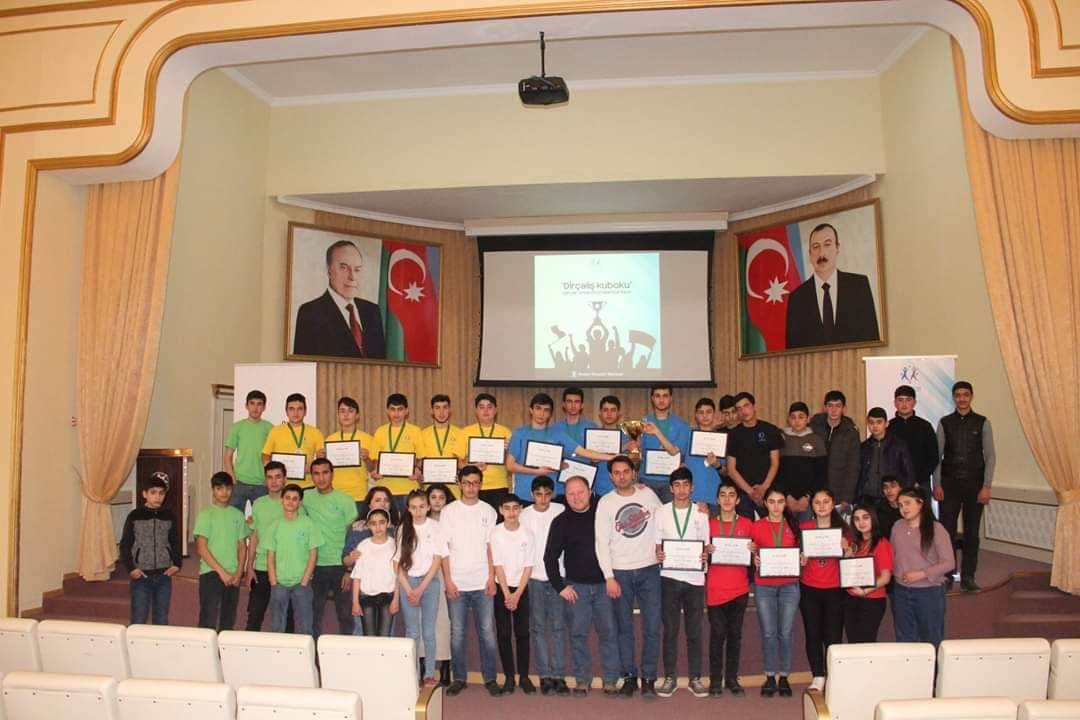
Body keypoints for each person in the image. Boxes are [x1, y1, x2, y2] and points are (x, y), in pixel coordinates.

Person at [544, 475, 620, 697]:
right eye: (571, 494)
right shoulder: (560, 522)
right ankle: (582, 680)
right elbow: (549, 558)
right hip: (577, 588)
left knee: (609, 633)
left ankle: (610, 680)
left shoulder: (603, 512)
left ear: (590, 491)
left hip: (605, 585)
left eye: (580, 492)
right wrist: (560, 587)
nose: (576, 497)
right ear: (565, 496)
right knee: (578, 635)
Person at [595, 455, 663, 698]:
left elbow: (665, 520)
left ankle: (649, 677)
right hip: (620, 572)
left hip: (649, 570)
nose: (622, 476)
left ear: (634, 473)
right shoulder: (605, 503)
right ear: (610, 476)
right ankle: (629, 676)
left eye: (626, 471)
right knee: (623, 628)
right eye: (617, 472)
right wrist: (608, 576)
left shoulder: (648, 495)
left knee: (652, 627)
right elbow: (601, 542)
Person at [440, 466, 501, 697]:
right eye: (466, 483)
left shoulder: (489, 511)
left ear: (481, 484)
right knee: (457, 633)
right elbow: (443, 549)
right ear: (459, 483)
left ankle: (490, 678)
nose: (471, 487)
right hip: (457, 582)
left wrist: (492, 578)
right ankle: (459, 678)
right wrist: (448, 580)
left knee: (487, 632)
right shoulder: (449, 512)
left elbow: (491, 547)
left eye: (475, 483)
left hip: (482, 582)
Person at [653, 467, 711, 698]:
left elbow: (706, 544)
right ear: (670, 488)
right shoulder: (661, 512)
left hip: (695, 579)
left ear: (692, 487)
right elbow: (657, 544)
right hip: (669, 578)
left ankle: (695, 678)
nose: (681, 490)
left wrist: (705, 555)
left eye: (685, 485)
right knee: (670, 630)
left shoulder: (701, 512)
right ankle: (670, 678)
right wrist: (658, 554)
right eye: (677, 485)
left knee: (694, 630)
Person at [934, 381, 996, 592]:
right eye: (958, 395)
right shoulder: (945, 423)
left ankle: (968, 576)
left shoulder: (982, 422)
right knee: (946, 532)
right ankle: (947, 574)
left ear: (971, 397)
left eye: (965, 395)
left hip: (975, 485)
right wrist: (937, 483)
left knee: (972, 533)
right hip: (949, 485)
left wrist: (986, 486)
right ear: (954, 397)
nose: (962, 398)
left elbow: (990, 456)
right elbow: (937, 457)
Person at [784, 222, 880, 349]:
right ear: (810, 254)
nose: (821, 253)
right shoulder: (797, 298)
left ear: (837, 248)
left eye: (827, 245)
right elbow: (793, 352)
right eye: (816, 247)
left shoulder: (859, 286)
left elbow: (872, 341)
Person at [507, 393, 613, 500]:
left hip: (549, 496)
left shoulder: (557, 434)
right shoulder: (519, 433)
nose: (541, 414)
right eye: (538, 408)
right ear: (531, 410)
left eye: (546, 410)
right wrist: (536, 472)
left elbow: (583, 452)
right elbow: (510, 465)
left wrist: (612, 457)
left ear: (550, 414)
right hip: (524, 494)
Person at [293, 238, 387, 358]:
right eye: (344, 267)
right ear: (329, 270)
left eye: (357, 269)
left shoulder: (372, 311)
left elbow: (381, 363)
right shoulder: (310, 313)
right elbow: (304, 366)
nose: (352, 277)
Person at [751, 486, 802, 698]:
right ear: (765, 503)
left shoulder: (794, 525)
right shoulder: (757, 526)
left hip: (790, 585)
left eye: (780, 501)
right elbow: (752, 551)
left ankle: (785, 676)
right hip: (764, 585)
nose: (776, 506)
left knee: (786, 632)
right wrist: (753, 558)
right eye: (772, 501)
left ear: (785, 504)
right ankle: (770, 675)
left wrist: (802, 558)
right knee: (769, 632)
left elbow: (802, 551)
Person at [521, 475, 569, 696]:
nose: (543, 499)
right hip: (534, 578)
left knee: (558, 627)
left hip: (559, 577)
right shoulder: (523, 514)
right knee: (538, 627)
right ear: (532, 495)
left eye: (547, 494)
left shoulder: (561, 510)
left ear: (553, 494)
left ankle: (559, 675)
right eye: (538, 494)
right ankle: (544, 675)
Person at [799, 488, 850, 692]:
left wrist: (847, 550)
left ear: (833, 503)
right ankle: (818, 676)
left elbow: (852, 560)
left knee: (833, 635)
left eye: (826, 502)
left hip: (835, 589)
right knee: (813, 633)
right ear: (812, 506)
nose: (821, 506)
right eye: (817, 502)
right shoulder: (804, 527)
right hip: (809, 587)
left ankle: (833, 676)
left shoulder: (843, 529)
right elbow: (796, 558)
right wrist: (800, 559)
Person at [890, 487, 954, 648]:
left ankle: (934, 665)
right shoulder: (897, 526)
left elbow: (949, 562)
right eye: (900, 505)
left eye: (908, 503)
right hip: (901, 591)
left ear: (920, 503)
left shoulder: (936, 529)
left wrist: (922, 573)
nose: (903, 508)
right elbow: (892, 554)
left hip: (928, 591)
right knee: (904, 638)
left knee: (931, 638)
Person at [706, 479, 753, 696]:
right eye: (723, 495)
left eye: (731, 495)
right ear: (717, 499)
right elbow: (699, 556)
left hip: (739, 589)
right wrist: (705, 551)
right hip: (715, 589)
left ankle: (732, 679)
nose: (727, 499)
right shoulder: (707, 525)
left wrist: (754, 550)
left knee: (735, 635)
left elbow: (760, 553)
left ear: (738, 500)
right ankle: (715, 680)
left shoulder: (748, 524)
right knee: (717, 635)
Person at [396, 489, 446, 685]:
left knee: (429, 632)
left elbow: (437, 559)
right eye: (414, 507)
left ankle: (429, 674)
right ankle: (413, 673)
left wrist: (421, 588)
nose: (418, 511)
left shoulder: (436, 527)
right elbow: (397, 563)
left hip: (429, 583)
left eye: (421, 507)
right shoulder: (403, 529)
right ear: (408, 509)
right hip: (408, 583)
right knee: (412, 633)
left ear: (427, 507)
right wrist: (409, 589)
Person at [305, 458, 359, 637]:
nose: (321, 478)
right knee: (314, 616)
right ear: (311, 476)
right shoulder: (305, 498)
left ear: (332, 474)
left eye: (325, 473)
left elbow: (353, 538)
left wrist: (349, 570)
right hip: (315, 565)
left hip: (340, 565)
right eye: (316, 473)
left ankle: (346, 652)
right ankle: (313, 653)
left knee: (345, 615)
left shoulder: (345, 500)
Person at [120, 473, 181, 625]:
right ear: (144, 494)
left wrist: (177, 563)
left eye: (161, 493)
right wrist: (131, 568)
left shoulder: (169, 515)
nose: (157, 497)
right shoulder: (135, 516)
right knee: (139, 618)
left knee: (161, 618)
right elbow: (125, 544)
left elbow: (175, 541)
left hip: (164, 575)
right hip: (141, 576)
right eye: (153, 493)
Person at [491, 494, 536, 695]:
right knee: (503, 633)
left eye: (515, 508)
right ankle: (509, 677)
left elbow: (528, 566)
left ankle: (524, 677)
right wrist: (507, 594)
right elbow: (497, 565)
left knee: (523, 633)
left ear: (520, 510)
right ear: (501, 510)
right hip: (502, 588)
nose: (511, 512)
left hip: (521, 588)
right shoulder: (496, 533)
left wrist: (517, 594)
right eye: (507, 508)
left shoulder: (528, 534)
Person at [244, 461, 297, 631]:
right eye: (270, 477)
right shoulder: (258, 504)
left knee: (287, 618)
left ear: (285, 479)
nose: (274, 481)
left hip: (286, 570)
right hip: (261, 567)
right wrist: (249, 567)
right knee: (254, 615)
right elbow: (254, 536)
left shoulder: (293, 504)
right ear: (265, 480)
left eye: (278, 477)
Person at [194, 472, 250, 631]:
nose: (224, 492)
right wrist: (221, 572)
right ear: (213, 490)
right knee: (208, 619)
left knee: (228, 619)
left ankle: (223, 647)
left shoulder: (238, 515)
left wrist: (239, 572)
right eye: (219, 488)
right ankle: (205, 648)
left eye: (227, 488)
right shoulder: (205, 515)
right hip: (211, 572)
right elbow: (201, 548)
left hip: (233, 574)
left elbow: (242, 547)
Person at [268, 483, 321, 634]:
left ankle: (306, 650)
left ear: (300, 502)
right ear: (282, 500)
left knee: (305, 627)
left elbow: (313, 554)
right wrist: (273, 581)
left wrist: (305, 580)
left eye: (295, 499)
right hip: (279, 583)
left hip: (302, 584)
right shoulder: (275, 525)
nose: (290, 502)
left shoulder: (308, 523)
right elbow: (270, 556)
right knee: (277, 626)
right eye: (287, 498)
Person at [725, 392, 784, 520]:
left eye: (746, 405)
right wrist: (751, 492)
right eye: (739, 408)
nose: (743, 411)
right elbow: (731, 469)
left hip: (768, 490)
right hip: (743, 492)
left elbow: (775, 463)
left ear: (754, 406)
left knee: (771, 528)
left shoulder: (770, 430)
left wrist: (763, 488)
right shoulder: (733, 435)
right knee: (744, 529)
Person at [843, 504, 893, 643]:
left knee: (866, 643)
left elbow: (885, 578)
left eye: (865, 517)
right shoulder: (855, 543)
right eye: (857, 519)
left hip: (872, 600)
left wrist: (865, 591)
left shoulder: (881, 543)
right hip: (851, 598)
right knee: (853, 642)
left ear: (873, 519)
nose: (861, 522)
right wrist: (847, 555)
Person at [369, 393, 424, 509]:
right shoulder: (380, 431)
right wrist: (375, 471)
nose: (396, 413)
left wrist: (418, 470)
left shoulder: (415, 431)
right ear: (387, 411)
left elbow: (420, 459)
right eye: (392, 409)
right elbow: (374, 461)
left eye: (400, 409)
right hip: (385, 491)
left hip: (408, 489)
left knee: (408, 521)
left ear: (406, 411)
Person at [638, 385, 691, 504]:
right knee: (646, 514)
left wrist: (657, 432)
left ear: (671, 398)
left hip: (671, 481)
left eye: (665, 396)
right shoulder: (643, 422)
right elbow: (639, 453)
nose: (661, 400)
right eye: (657, 396)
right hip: (647, 480)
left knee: (670, 514)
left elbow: (673, 451)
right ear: (652, 398)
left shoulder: (682, 424)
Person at [350, 508, 399, 636]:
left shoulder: (394, 545)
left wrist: (396, 599)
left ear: (388, 523)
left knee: (384, 636)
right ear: (368, 525)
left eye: (382, 522)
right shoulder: (363, 546)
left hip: (388, 597)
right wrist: (355, 602)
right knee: (369, 636)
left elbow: (398, 576)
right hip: (367, 597)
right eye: (373, 523)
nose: (378, 527)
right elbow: (357, 576)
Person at [809, 390, 862, 510]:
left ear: (844, 408)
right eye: (830, 406)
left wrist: (847, 497)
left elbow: (853, 466)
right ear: (824, 407)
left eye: (838, 406)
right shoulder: (814, 426)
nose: (834, 410)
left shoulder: (851, 431)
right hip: (815, 489)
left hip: (839, 492)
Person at [261, 393, 325, 489]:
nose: (295, 413)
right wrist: (272, 470)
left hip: (308, 486)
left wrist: (312, 467)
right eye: (291, 409)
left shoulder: (316, 432)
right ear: (286, 411)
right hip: (282, 486)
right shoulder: (275, 431)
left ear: (305, 411)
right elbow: (265, 455)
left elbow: (321, 459)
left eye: (300, 409)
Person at [777, 401, 828, 522]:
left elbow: (821, 474)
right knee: (786, 532)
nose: (797, 421)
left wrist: (808, 496)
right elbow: (777, 472)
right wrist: (786, 496)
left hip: (807, 500)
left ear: (808, 419)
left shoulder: (817, 440)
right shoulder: (780, 439)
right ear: (788, 420)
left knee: (806, 531)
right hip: (786, 499)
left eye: (801, 417)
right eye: (793, 417)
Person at [224, 389, 273, 511]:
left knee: (262, 519)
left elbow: (273, 457)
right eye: (252, 403)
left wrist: (269, 479)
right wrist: (232, 478)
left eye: (259, 404)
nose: (255, 408)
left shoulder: (270, 428)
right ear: (246, 406)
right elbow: (228, 456)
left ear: (264, 407)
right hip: (239, 482)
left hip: (262, 483)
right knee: (235, 518)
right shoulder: (237, 427)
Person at [461, 393, 512, 506]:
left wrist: (508, 450)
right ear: (476, 411)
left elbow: (512, 463)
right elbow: (458, 462)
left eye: (489, 407)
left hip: (499, 486)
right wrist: (472, 466)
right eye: (481, 407)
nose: (485, 411)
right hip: (473, 486)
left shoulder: (505, 432)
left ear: (496, 410)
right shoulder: (465, 432)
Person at [425, 483, 454, 685]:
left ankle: (445, 665)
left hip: (444, 573)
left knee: (443, 621)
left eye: (441, 497)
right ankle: (423, 664)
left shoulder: (452, 521)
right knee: (424, 621)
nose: (437, 501)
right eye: (433, 497)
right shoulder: (419, 520)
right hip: (422, 574)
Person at [323, 396, 374, 510]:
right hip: (335, 495)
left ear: (357, 415)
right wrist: (321, 459)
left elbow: (372, 469)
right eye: (342, 411)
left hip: (359, 495)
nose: (346, 415)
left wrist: (367, 459)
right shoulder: (329, 440)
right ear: (338, 415)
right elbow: (324, 470)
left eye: (350, 411)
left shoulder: (368, 439)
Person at [857, 407, 914, 502]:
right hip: (867, 497)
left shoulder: (899, 445)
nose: (875, 426)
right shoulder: (863, 447)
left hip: (892, 497)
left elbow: (909, 473)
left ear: (886, 423)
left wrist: (904, 496)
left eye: (879, 422)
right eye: (871, 422)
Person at [888, 385, 940, 489]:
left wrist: (919, 480)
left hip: (921, 484)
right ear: (895, 403)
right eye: (900, 400)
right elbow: (885, 458)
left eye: (908, 400)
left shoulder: (925, 426)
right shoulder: (888, 427)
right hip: (895, 485)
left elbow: (933, 457)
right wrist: (896, 481)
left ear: (914, 402)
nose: (904, 404)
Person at [417, 394, 466, 500]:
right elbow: (419, 462)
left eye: (445, 407)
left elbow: (462, 462)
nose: (441, 412)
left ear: (450, 410)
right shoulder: (422, 434)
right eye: (437, 408)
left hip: (454, 490)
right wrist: (419, 471)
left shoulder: (460, 433)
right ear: (432, 411)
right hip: (430, 490)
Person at [686, 398, 723, 511]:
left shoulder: (722, 439)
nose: (705, 416)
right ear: (696, 415)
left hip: (714, 495)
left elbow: (726, 472)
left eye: (708, 412)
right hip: (690, 495)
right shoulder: (688, 436)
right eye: (701, 412)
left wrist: (717, 465)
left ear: (714, 414)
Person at [592, 395, 629, 497]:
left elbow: (634, 464)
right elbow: (593, 459)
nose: (609, 414)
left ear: (619, 413)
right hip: (599, 490)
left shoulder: (628, 436)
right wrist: (624, 447)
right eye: (605, 410)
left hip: (624, 490)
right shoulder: (593, 435)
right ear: (600, 413)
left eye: (613, 410)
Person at [875, 476, 903, 540]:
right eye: (885, 487)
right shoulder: (878, 509)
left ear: (901, 488)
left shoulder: (907, 510)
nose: (889, 490)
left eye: (893, 486)